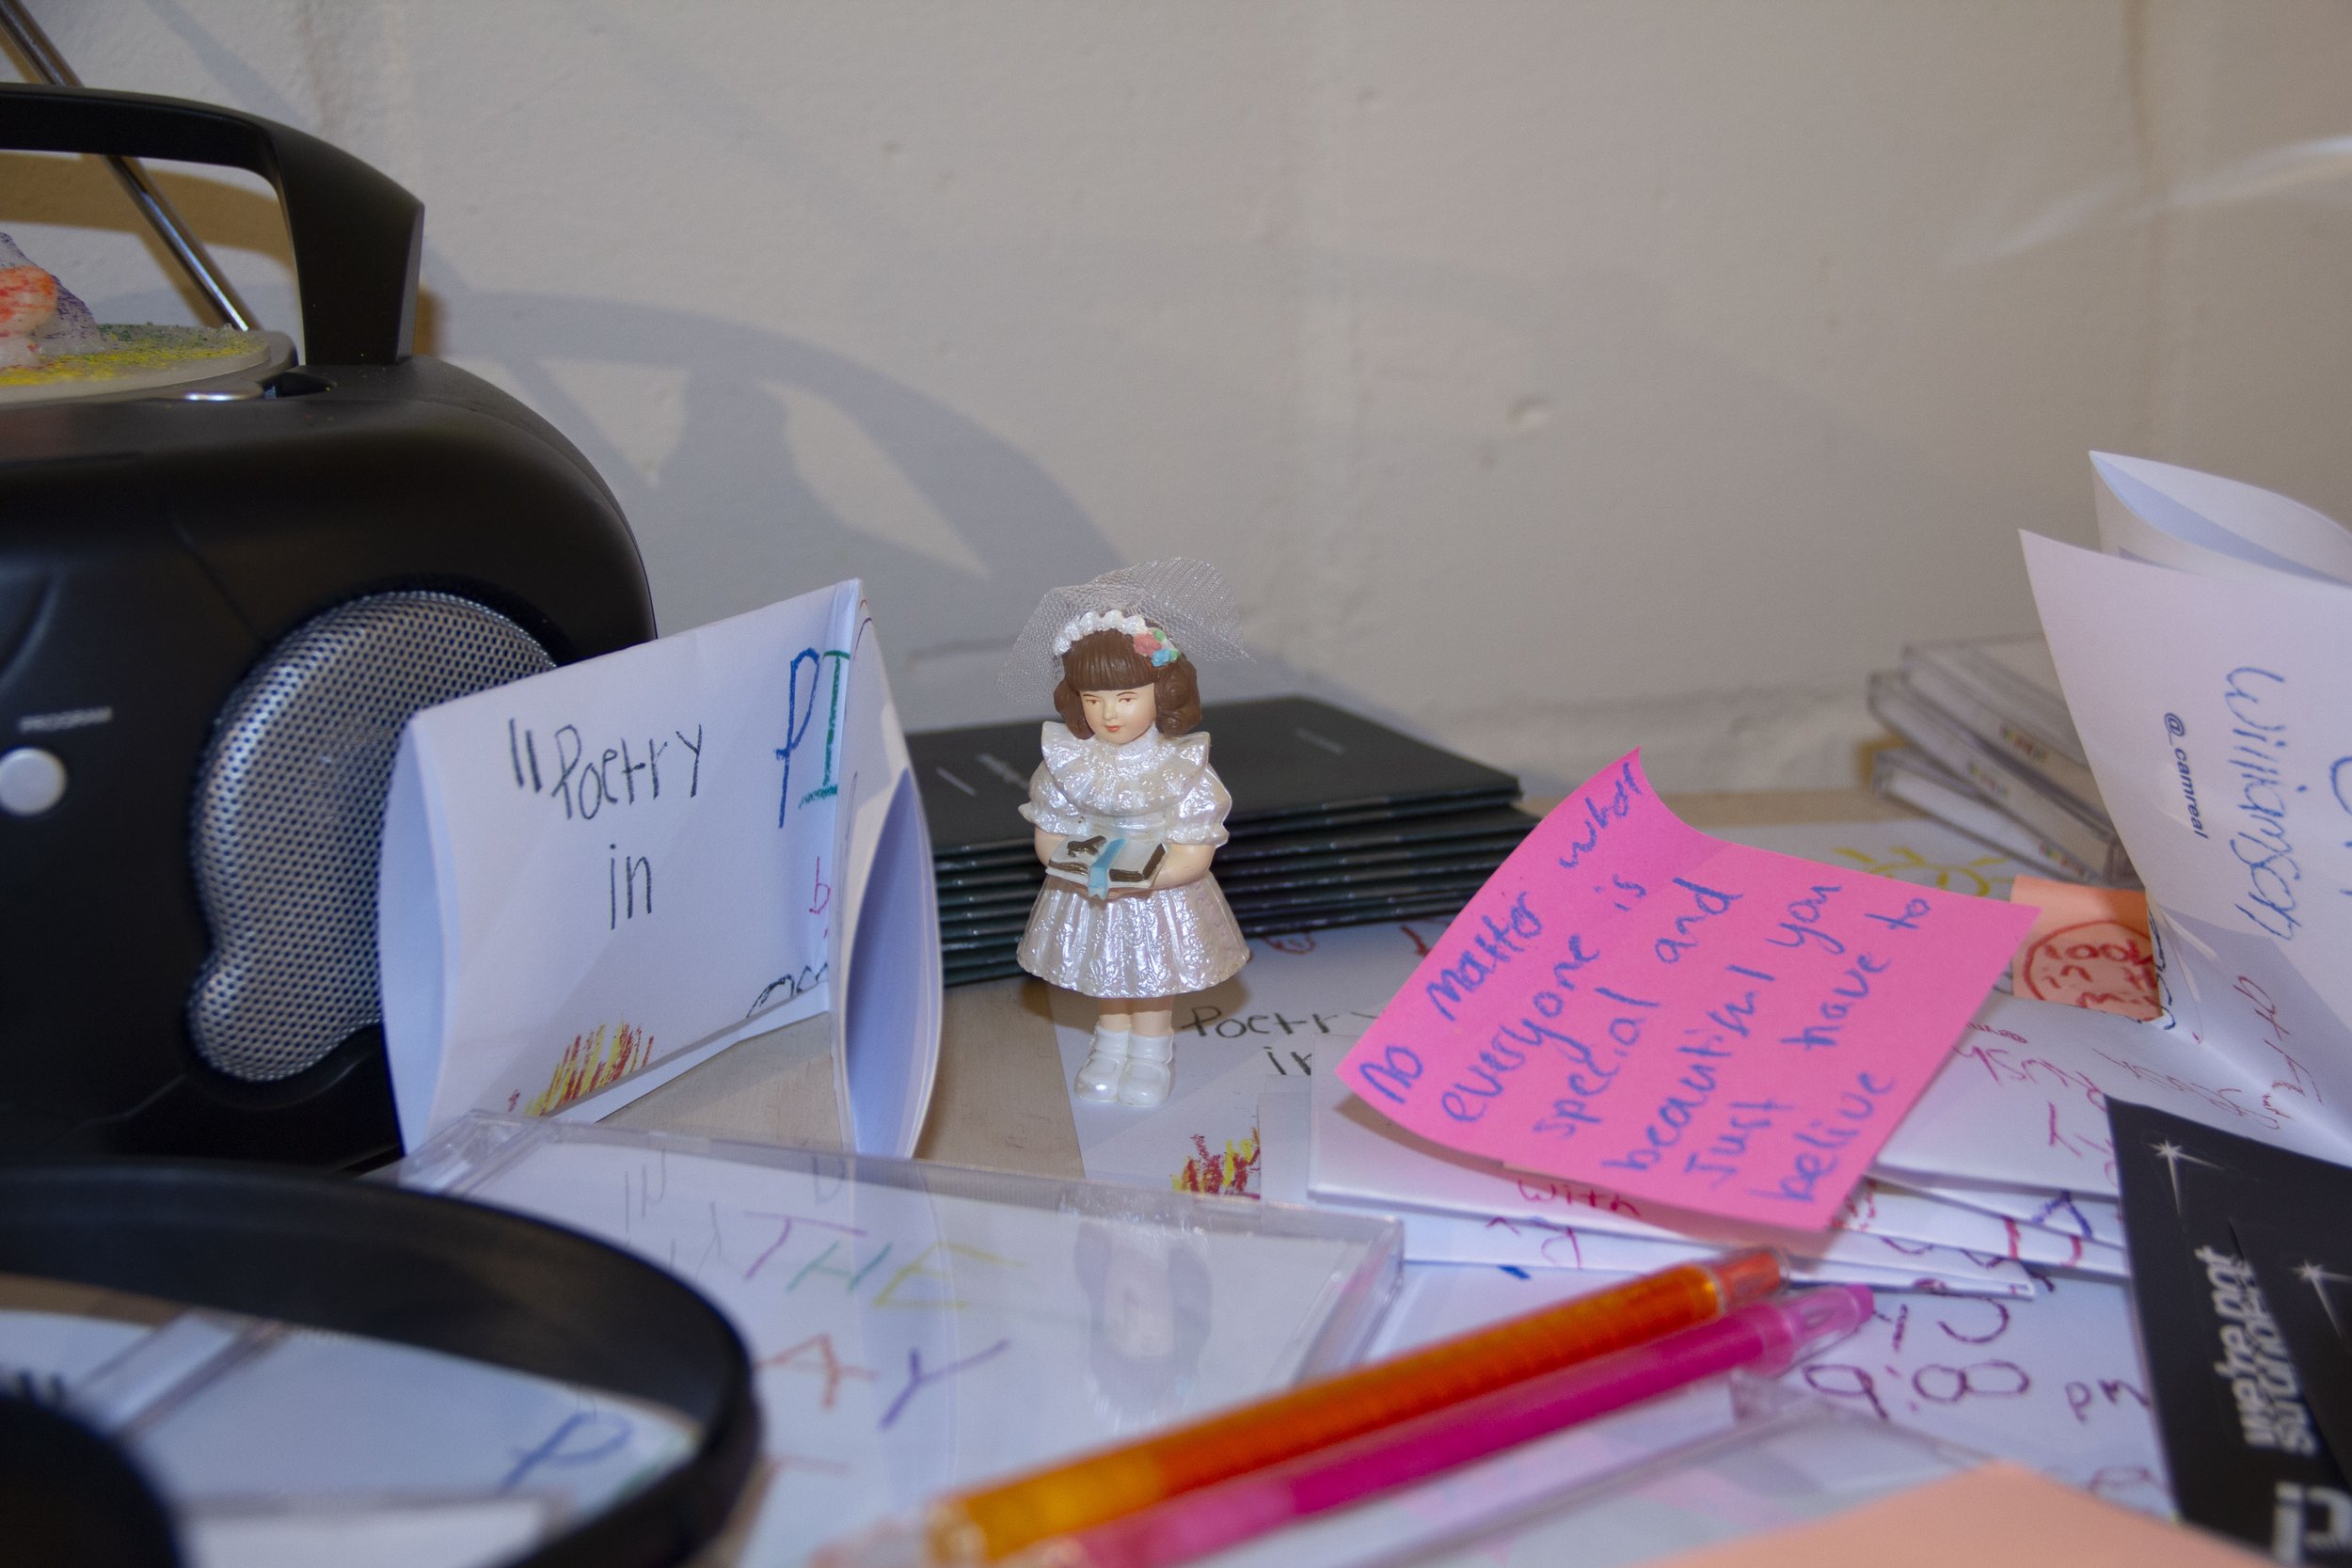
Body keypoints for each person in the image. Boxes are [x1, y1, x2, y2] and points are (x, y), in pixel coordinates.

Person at [1006, 562, 1249, 1107]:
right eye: (1093, 700)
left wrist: (1143, 873)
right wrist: (1071, 862)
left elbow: (1196, 849)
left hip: (1155, 892)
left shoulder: (1180, 765)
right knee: (1105, 974)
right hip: (1092, 885)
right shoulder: (1070, 762)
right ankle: (1109, 1044)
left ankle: (1151, 1051)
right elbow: (1051, 829)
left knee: (1150, 977)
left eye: (1125, 697)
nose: (1108, 713)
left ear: (1161, 692)